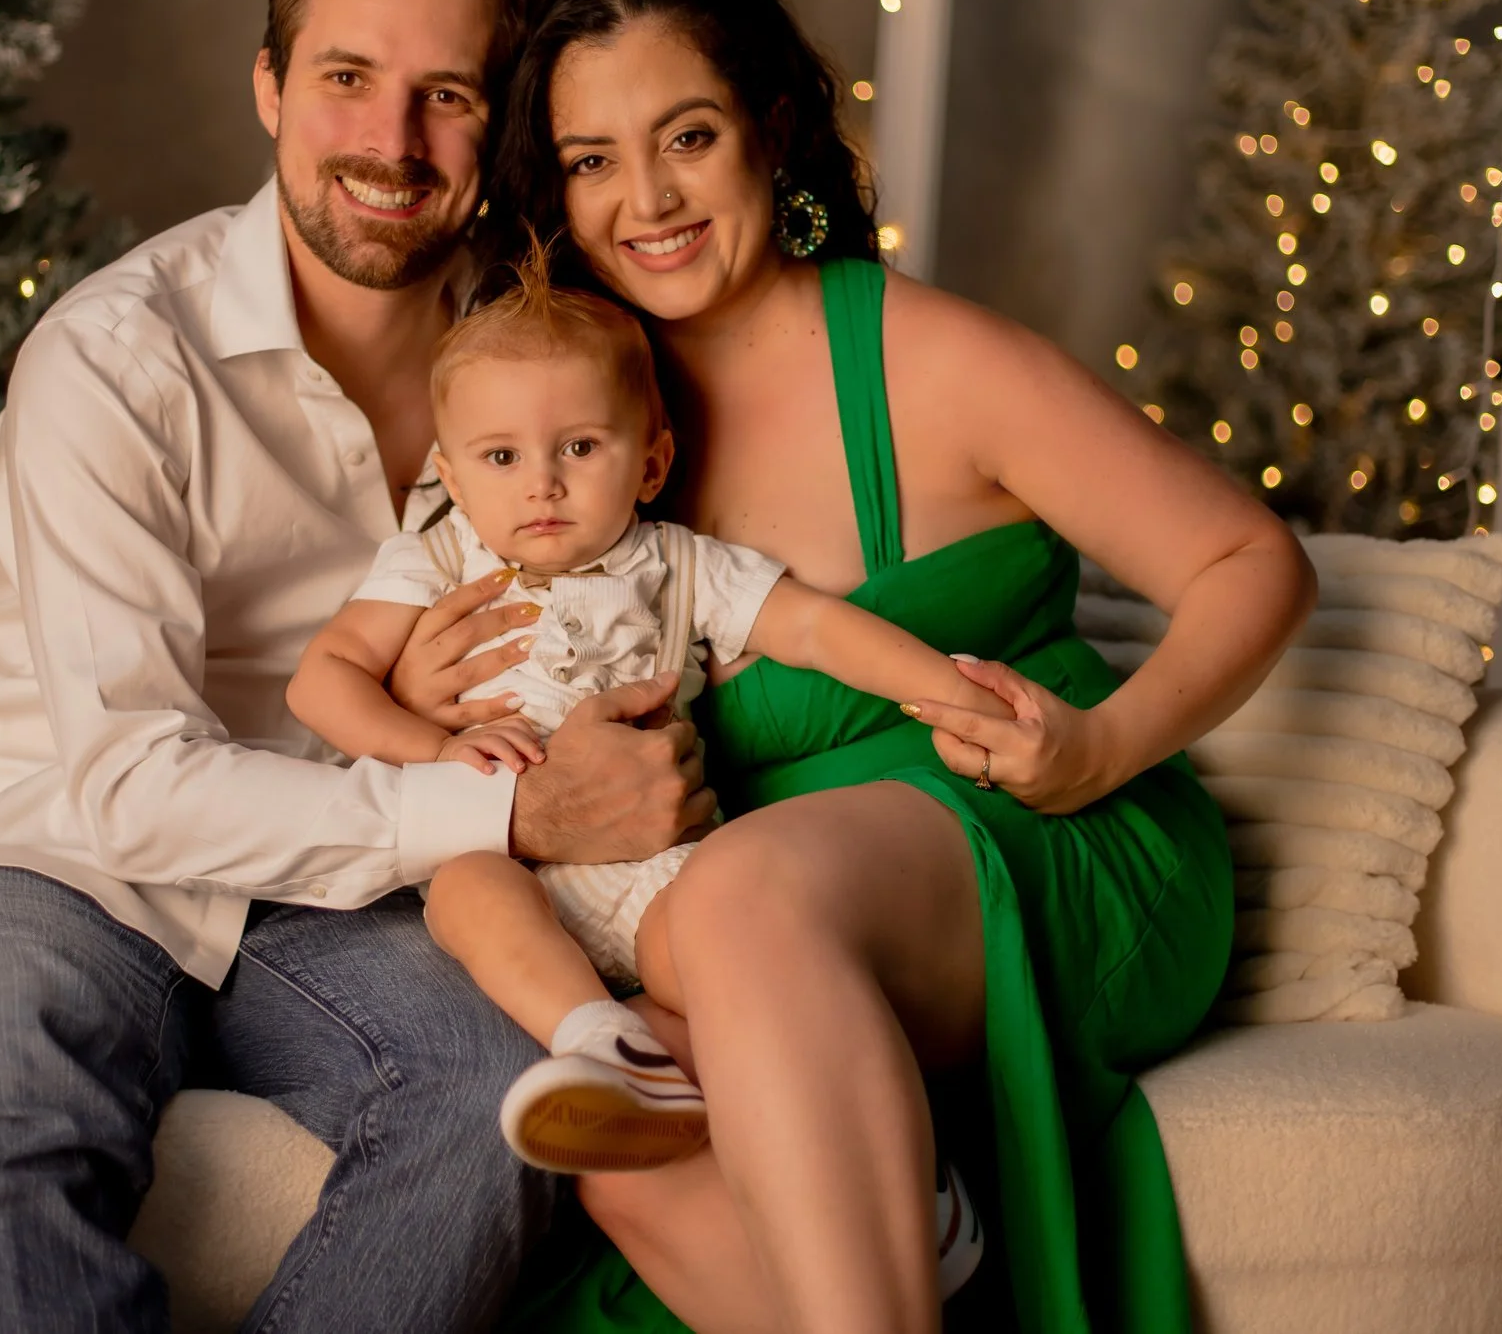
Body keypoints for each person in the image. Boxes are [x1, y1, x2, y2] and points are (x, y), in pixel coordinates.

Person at [0, 0, 713, 1334]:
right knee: (11, 1132)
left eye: (448, 96)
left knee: (497, 1101)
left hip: (337, 892)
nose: (391, 144)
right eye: (346, 79)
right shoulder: (117, 359)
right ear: (270, 90)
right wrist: (504, 812)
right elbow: (127, 782)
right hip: (48, 848)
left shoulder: (546, 366)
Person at [442, 0, 1318, 1334]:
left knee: (730, 903)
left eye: (689, 136)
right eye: (595, 160)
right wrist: (436, 680)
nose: (647, 200)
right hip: (762, 912)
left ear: (772, 130)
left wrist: (1101, 747)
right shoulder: (567, 409)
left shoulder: (929, 356)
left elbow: (1248, 558)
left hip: (1046, 833)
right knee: (629, 1140)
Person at [285, 248, 1011, 1225]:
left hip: (654, 868)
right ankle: (600, 1044)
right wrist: (429, 745)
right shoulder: (435, 558)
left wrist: (948, 690)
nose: (540, 483)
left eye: (579, 447)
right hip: (508, 854)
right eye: (501, 457)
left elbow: (812, 625)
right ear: (451, 473)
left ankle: (911, 1191)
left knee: (723, 977)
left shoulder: (676, 563)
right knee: (464, 891)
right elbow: (321, 680)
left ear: (651, 459)